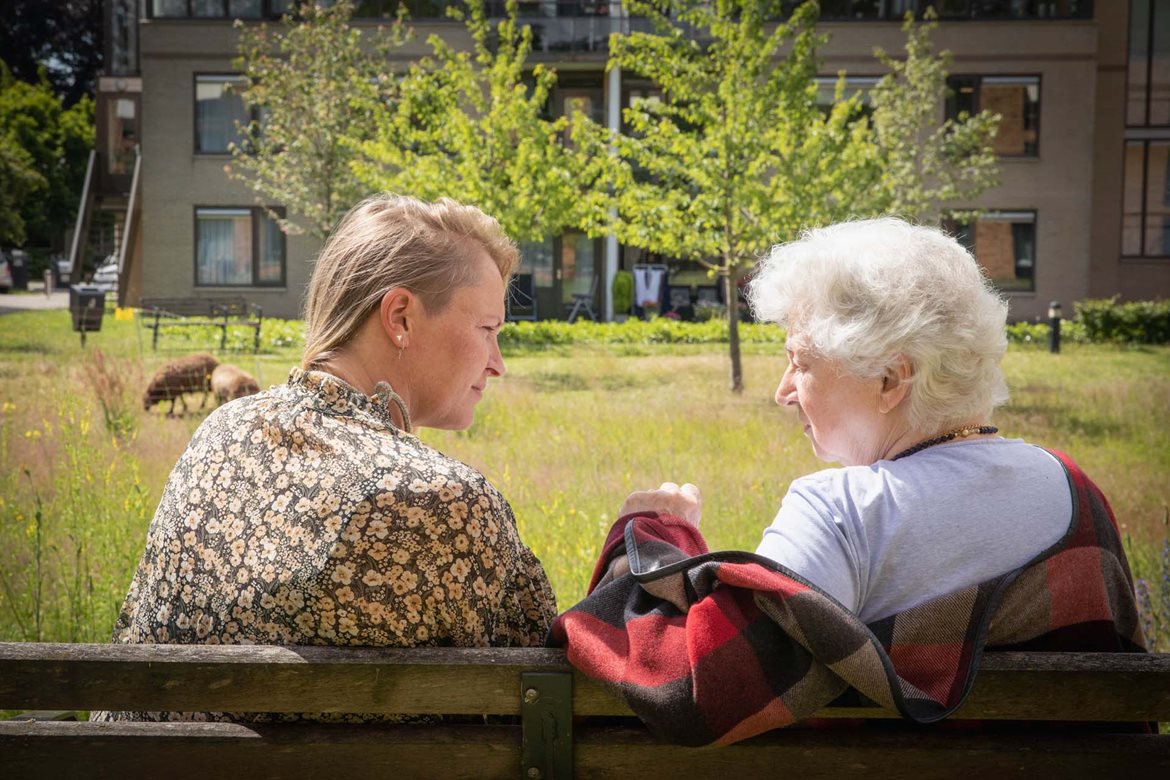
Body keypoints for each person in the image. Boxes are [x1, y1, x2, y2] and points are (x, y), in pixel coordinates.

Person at [552, 218, 1145, 745]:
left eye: (802, 362)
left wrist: (653, 533)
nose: (782, 391)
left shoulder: (843, 510)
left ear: (890, 378)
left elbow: (692, 692)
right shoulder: (1074, 487)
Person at [95, 194, 556, 723]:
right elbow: (549, 698)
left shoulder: (218, 432)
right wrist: (633, 549)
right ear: (400, 316)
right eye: (488, 330)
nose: (497, 364)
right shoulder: (446, 504)